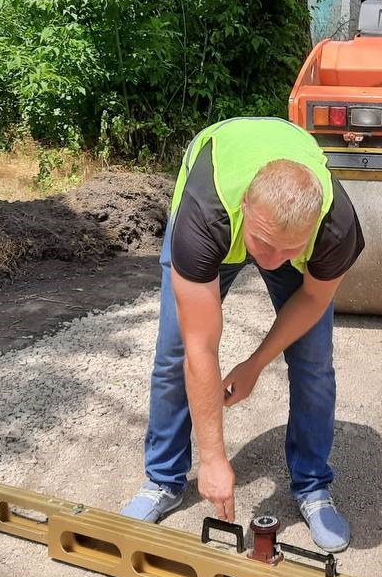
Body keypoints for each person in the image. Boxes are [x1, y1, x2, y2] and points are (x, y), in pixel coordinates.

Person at [120, 117, 364, 552]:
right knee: (175, 353)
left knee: (313, 362)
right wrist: (213, 457)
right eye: (264, 243)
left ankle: (312, 486)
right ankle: (163, 479)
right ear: (246, 207)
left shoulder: (336, 228)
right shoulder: (204, 217)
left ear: (314, 227)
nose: (272, 261)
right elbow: (200, 347)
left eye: (291, 249)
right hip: (217, 210)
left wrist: (255, 364)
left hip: (271, 221)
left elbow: (312, 299)